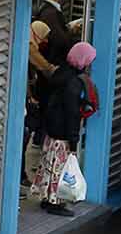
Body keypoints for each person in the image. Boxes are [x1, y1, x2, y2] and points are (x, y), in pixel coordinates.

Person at [31, 41, 97, 216]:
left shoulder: (61, 73)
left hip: (51, 128)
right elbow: (72, 113)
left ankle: (46, 198)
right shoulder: (74, 82)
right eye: (89, 60)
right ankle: (55, 202)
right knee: (59, 168)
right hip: (62, 132)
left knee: (49, 164)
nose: (89, 64)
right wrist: (74, 139)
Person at [23, 20, 56, 188]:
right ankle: (24, 175)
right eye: (44, 37)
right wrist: (54, 70)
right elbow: (43, 66)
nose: (46, 41)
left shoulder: (30, 42)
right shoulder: (29, 46)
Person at [34, 0, 75, 68]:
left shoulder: (47, 9)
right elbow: (60, 40)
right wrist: (71, 32)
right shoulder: (50, 13)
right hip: (54, 63)